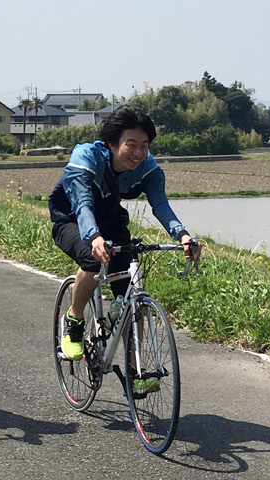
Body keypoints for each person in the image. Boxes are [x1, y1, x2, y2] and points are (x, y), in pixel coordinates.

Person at [49, 107, 200, 379]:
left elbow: (161, 205)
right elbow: (83, 204)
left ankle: (135, 372)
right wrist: (93, 236)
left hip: (110, 223)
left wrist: (183, 236)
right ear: (112, 143)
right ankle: (74, 319)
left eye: (145, 145)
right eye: (131, 145)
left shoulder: (148, 168)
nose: (139, 153)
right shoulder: (86, 158)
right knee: (93, 259)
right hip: (71, 220)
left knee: (132, 300)